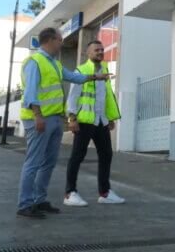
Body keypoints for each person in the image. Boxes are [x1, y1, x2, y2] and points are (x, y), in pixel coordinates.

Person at [16, 27, 112, 219]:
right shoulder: (34, 62)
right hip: (39, 119)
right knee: (33, 162)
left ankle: (39, 200)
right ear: (50, 40)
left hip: (54, 119)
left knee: (49, 162)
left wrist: (95, 76)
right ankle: (25, 204)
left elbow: (73, 77)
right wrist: (38, 116)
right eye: (60, 40)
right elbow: (31, 92)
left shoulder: (54, 63)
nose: (61, 43)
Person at [63, 40, 124, 206]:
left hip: (101, 120)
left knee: (106, 154)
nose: (100, 52)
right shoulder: (81, 70)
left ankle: (105, 193)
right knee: (77, 156)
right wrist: (72, 118)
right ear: (88, 53)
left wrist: (110, 117)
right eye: (97, 50)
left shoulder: (104, 70)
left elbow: (107, 96)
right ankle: (70, 193)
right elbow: (73, 96)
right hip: (84, 121)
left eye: (102, 50)